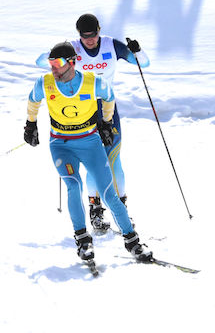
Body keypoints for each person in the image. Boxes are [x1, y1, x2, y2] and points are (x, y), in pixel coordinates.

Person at [24, 41, 152, 263]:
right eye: (51, 63)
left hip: (90, 142)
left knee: (108, 192)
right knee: (74, 185)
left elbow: (109, 97)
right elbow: (33, 101)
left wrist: (106, 122)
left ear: (72, 63)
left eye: (58, 63)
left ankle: (132, 241)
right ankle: (83, 241)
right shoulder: (45, 83)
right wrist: (30, 124)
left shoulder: (93, 83)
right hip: (61, 144)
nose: (53, 68)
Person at [36, 13, 149, 233]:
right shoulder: (72, 49)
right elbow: (41, 62)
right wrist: (54, 53)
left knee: (113, 160)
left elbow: (143, 63)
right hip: (82, 113)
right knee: (92, 162)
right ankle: (95, 210)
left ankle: (121, 209)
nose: (90, 39)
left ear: (99, 30)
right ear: (79, 34)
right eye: (84, 36)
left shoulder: (111, 45)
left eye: (94, 34)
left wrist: (137, 50)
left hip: (107, 109)